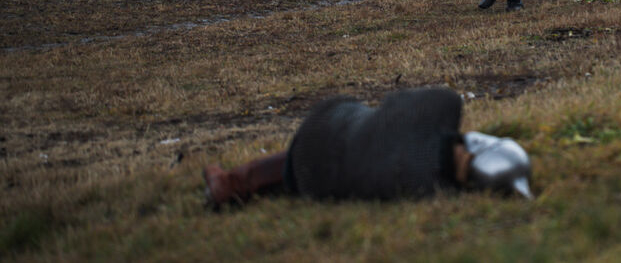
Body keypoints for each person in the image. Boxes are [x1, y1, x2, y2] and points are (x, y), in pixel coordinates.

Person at [202, 87, 533, 206]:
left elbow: (394, 105)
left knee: (339, 144)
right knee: (340, 161)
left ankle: (232, 183)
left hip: (325, 136)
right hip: (318, 187)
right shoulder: (427, 188)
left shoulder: (441, 107)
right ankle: (240, 185)